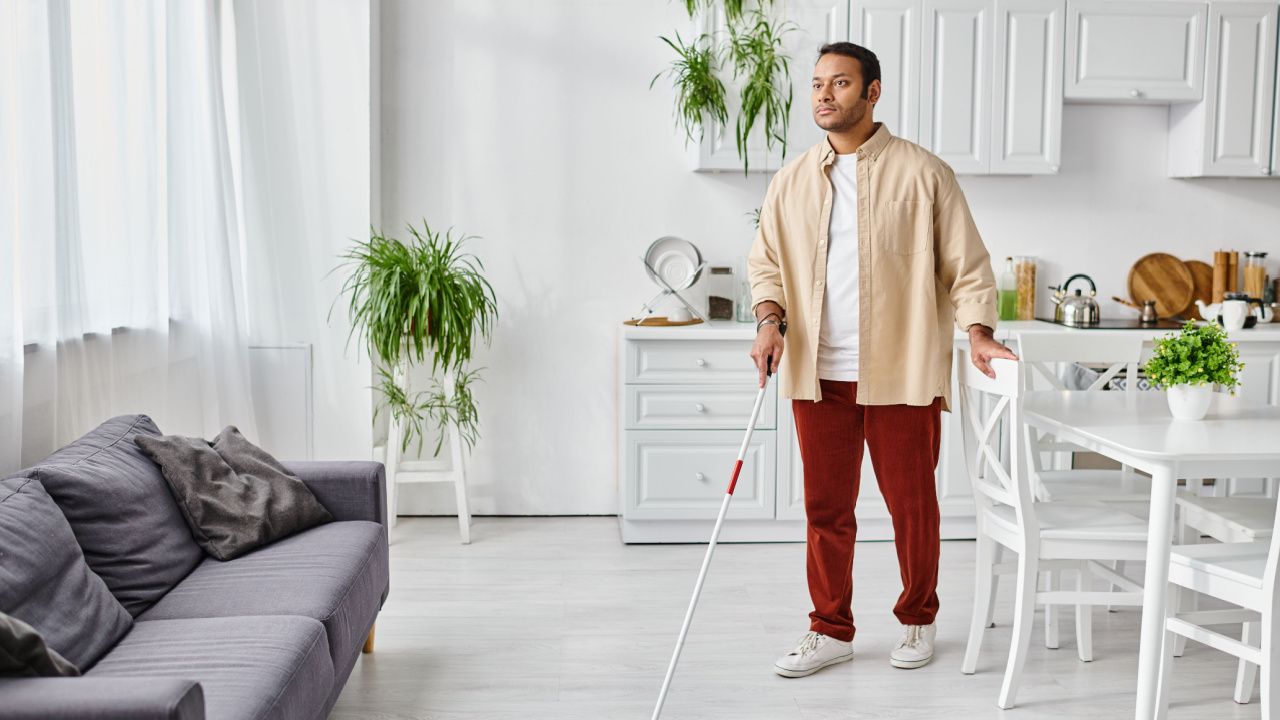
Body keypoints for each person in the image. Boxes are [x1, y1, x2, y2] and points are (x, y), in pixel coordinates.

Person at [747, 41, 1018, 678]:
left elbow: (968, 267)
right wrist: (767, 321)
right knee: (825, 510)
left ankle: (918, 621)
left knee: (912, 505)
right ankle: (830, 629)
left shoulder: (925, 174)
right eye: (816, 84)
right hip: (818, 375)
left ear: (872, 92)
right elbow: (766, 265)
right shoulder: (790, 181)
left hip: (901, 370)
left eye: (839, 84)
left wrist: (977, 332)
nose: (823, 95)